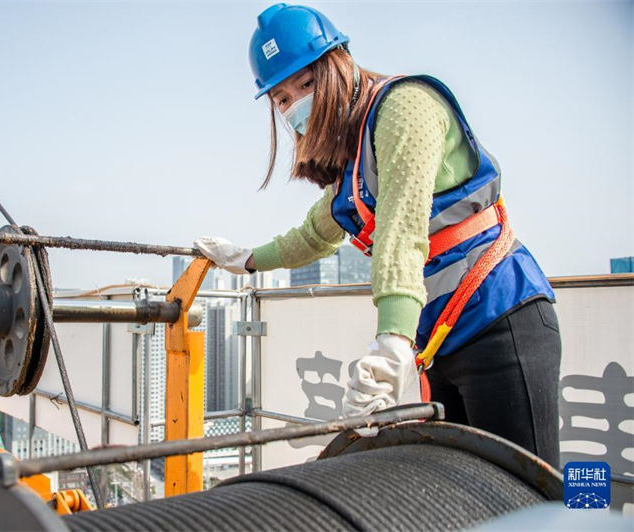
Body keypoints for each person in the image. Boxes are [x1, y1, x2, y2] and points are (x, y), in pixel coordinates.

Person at [194, 3, 562, 467]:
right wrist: (246, 259)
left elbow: (401, 228)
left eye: (306, 83)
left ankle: (596, 518)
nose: (295, 105)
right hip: (445, 341)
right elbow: (315, 233)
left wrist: (391, 345)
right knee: (472, 489)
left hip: (503, 321)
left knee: (539, 487)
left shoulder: (405, 107)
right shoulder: (355, 163)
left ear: (341, 64)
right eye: (282, 98)